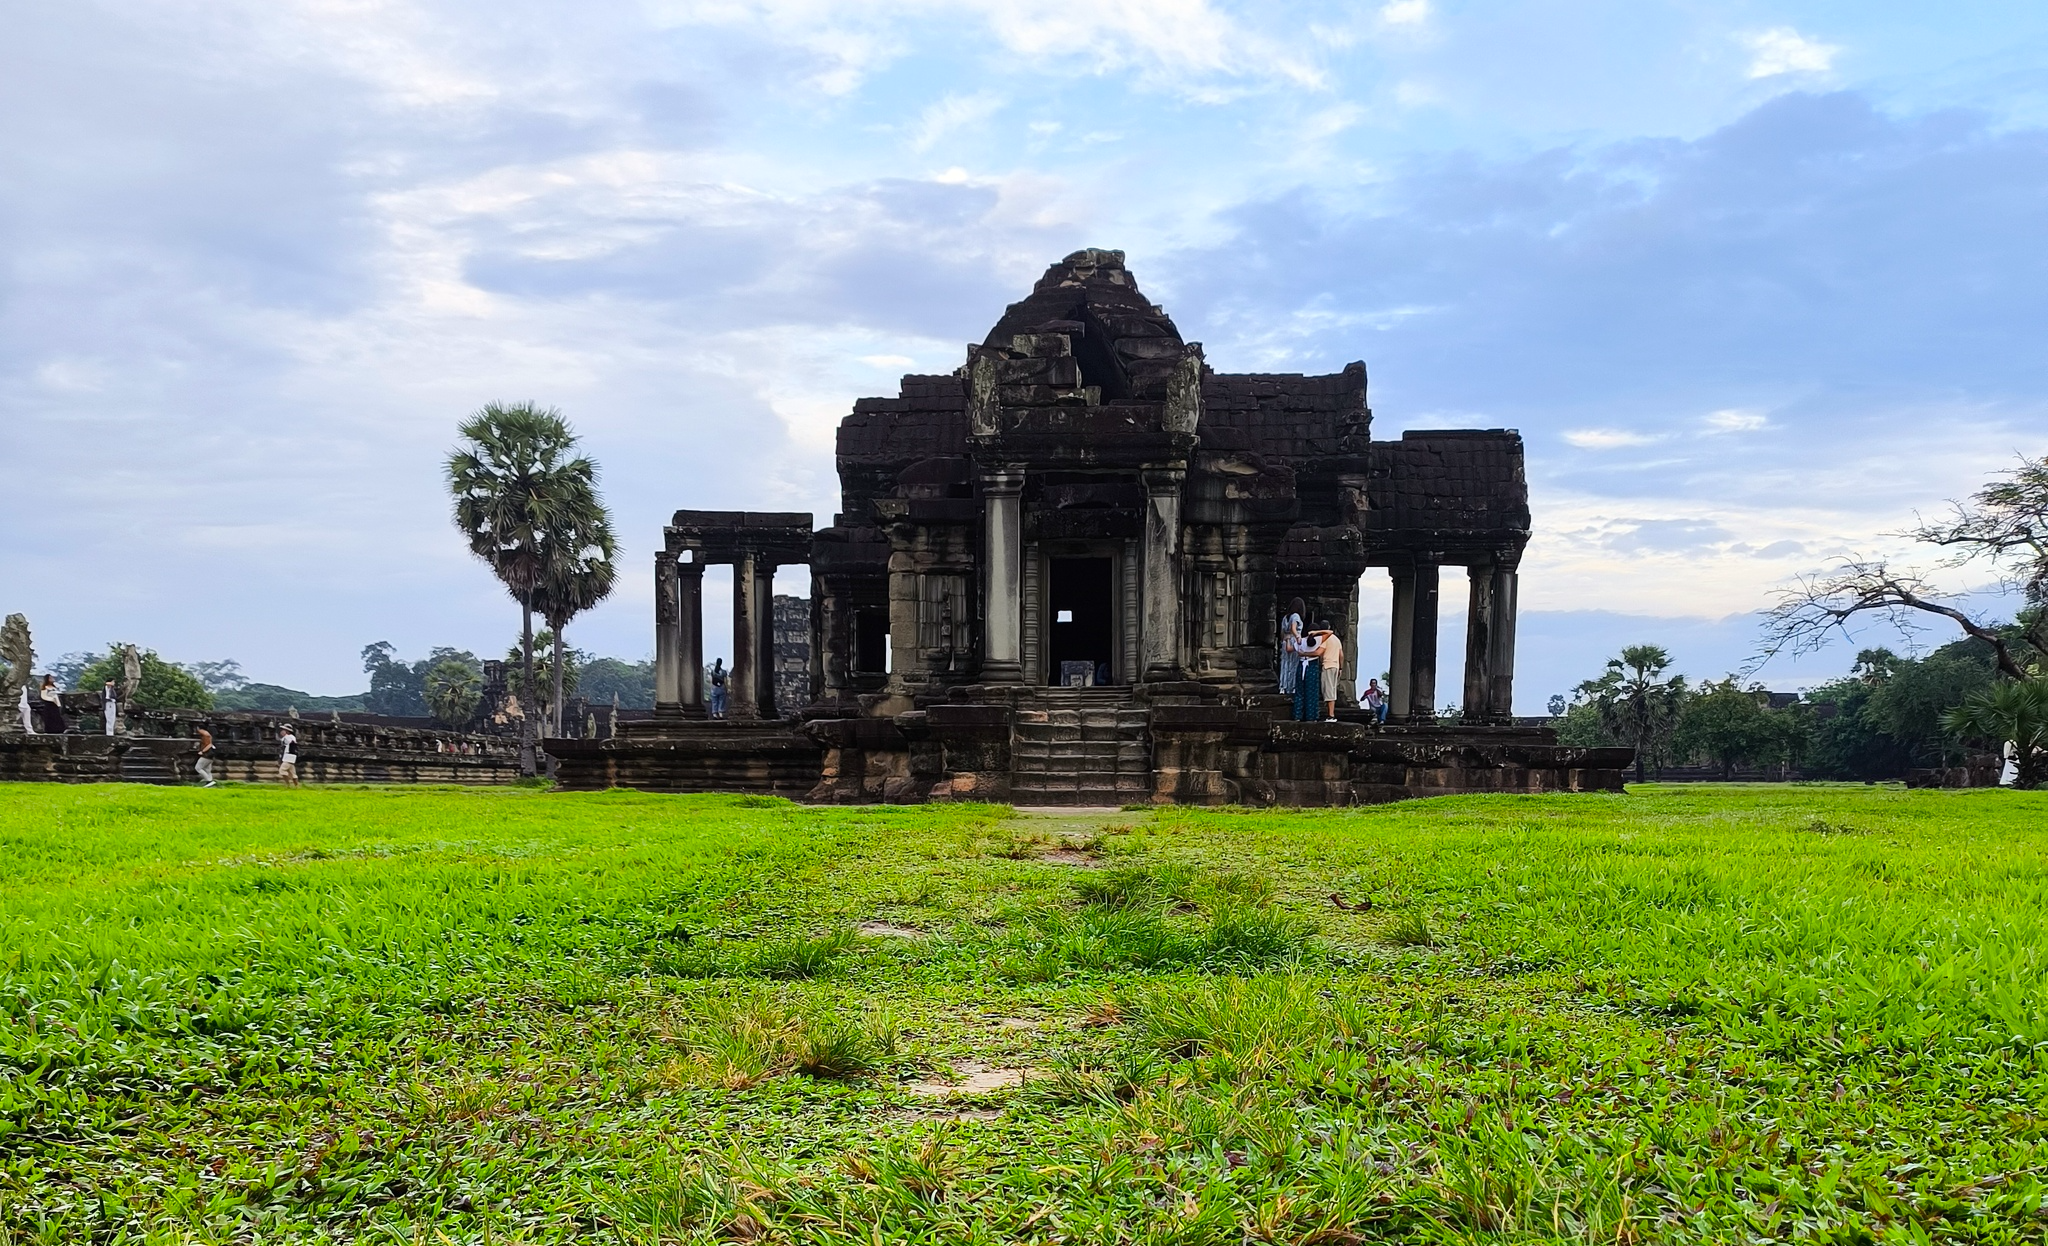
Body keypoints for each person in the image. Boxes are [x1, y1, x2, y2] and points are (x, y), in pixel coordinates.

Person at [1315, 623, 1344, 723]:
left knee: (1328, 690)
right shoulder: (1336, 639)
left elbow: (1319, 652)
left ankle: (1331, 715)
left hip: (1328, 665)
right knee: (1330, 689)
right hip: (1335, 666)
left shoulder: (1325, 638)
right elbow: (1341, 655)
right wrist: (1340, 667)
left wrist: (1305, 653)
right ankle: (1330, 713)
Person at [1292, 633, 1323, 723]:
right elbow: (1329, 633)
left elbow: (1289, 648)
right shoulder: (1318, 641)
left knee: (1299, 692)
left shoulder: (1300, 641)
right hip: (1312, 667)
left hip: (1301, 666)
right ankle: (1311, 716)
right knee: (1311, 692)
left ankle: (1297, 715)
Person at [1277, 600, 1305, 700]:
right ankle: (1292, 687)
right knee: (1294, 665)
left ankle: (1282, 687)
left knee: (1284, 664)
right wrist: (1297, 637)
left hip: (1285, 641)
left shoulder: (1285, 617)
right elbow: (1294, 628)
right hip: (1294, 641)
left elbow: (1281, 633)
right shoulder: (1296, 616)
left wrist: (1285, 639)